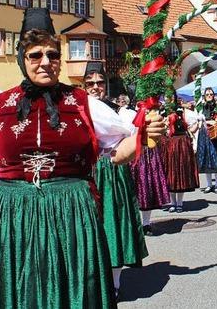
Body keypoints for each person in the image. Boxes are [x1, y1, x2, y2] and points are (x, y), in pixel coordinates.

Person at [0, 8, 166, 308]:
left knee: (75, 291)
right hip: (15, 216)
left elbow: (117, 151)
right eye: (35, 55)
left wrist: (143, 136)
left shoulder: (83, 104)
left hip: (72, 213)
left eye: (52, 55)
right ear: (22, 59)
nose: (45, 62)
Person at [84, 62, 147, 300]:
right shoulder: (77, 109)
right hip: (86, 171)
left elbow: (132, 140)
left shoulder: (118, 112)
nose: (95, 87)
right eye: (90, 83)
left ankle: (115, 281)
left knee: (113, 221)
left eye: (99, 82)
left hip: (112, 170)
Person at [164, 92, 200, 212]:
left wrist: (191, 132)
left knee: (180, 173)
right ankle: (172, 202)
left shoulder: (183, 111)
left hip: (181, 144)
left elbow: (194, 124)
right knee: (170, 174)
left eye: (171, 96)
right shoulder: (163, 111)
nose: (169, 99)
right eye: (167, 97)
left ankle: (179, 203)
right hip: (168, 144)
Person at [196, 88, 217, 192]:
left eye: (211, 94)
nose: (209, 95)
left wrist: (216, 121)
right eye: (207, 94)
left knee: (216, 158)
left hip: (215, 134)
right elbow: (198, 118)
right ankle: (209, 184)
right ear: (204, 95)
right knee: (207, 159)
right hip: (204, 134)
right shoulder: (201, 107)